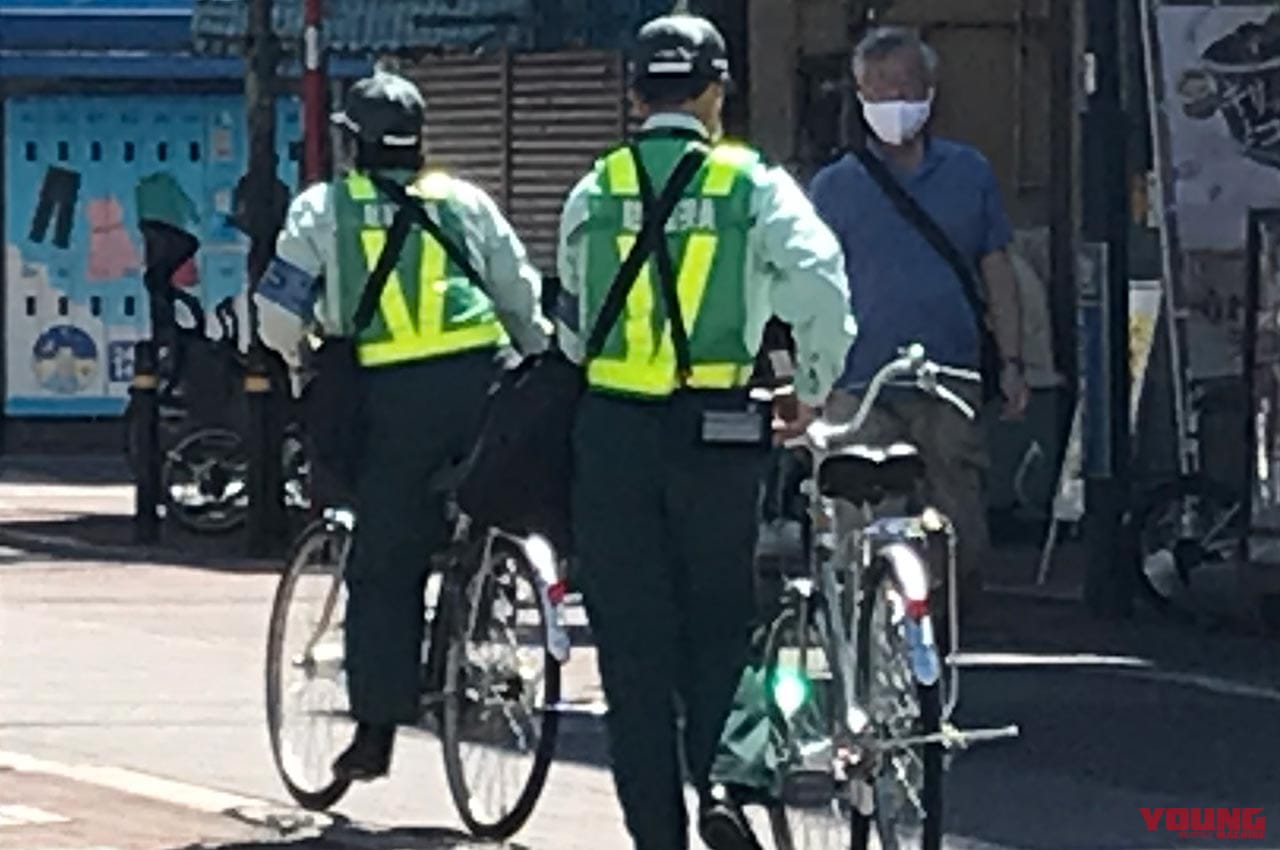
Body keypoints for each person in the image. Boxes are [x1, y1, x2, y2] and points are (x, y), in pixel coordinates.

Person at [556, 14, 855, 850]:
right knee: (725, 617)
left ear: (634, 95)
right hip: (718, 429)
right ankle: (724, 783)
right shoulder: (750, 184)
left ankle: (658, 836)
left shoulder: (596, 188)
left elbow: (571, 326)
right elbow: (821, 284)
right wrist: (810, 387)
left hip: (612, 433)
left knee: (632, 648)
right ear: (716, 92)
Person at [253, 68, 547, 780]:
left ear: (351, 142)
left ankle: (377, 729)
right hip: (481, 386)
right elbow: (520, 297)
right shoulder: (465, 202)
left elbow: (278, 314)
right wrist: (538, 366)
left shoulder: (325, 209)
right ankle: (480, 603)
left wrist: (297, 360)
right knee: (486, 506)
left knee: (385, 562)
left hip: (389, 402)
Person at [809, 26, 1028, 610]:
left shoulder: (969, 172)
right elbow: (808, 285)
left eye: (905, 85)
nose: (894, 100)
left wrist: (1012, 362)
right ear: (859, 95)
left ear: (931, 90)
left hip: (949, 374)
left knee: (959, 513)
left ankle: (953, 620)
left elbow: (997, 270)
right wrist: (809, 373)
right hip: (857, 382)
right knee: (860, 517)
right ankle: (867, 624)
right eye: (878, 88)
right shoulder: (833, 187)